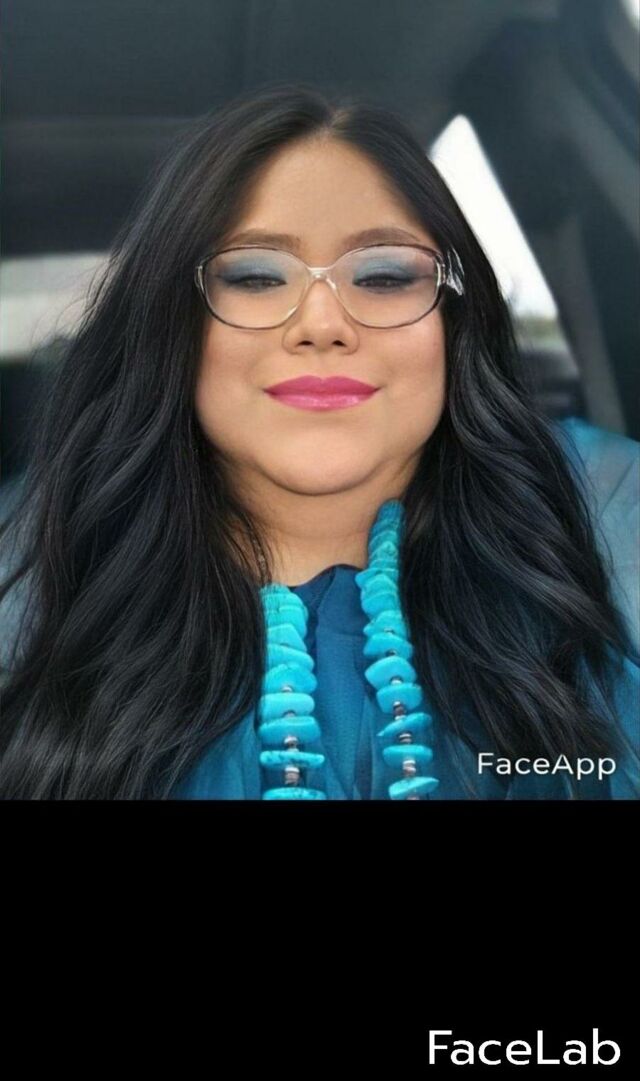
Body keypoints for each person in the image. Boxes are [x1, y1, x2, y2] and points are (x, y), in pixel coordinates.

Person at [0, 86, 638, 800]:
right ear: (170, 326)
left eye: (385, 275)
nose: (323, 323)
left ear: (455, 322)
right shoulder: (28, 582)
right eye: (255, 276)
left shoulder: (606, 511)